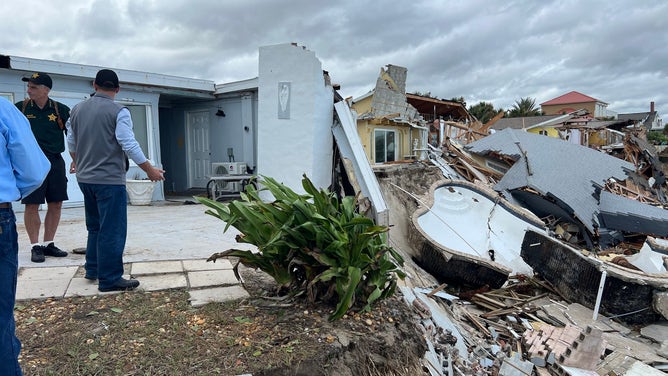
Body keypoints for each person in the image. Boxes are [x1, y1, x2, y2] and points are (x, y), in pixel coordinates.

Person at [66, 69, 165, 292]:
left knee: (95, 226)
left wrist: (78, 162)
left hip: (85, 179)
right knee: (112, 229)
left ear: (94, 85)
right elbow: (127, 143)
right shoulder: (119, 111)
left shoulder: (77, 109)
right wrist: (149, 170)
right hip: (109, 180)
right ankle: (110, 278)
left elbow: (71, 142)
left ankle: (93, 269)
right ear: (117, 89)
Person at [1, 96, 51, 375]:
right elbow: (33, 170)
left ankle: (47, 242)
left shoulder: (60, 110)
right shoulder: (5, 108)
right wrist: (8, 190)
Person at [15, 72, 71, 263]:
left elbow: (72, 137)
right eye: (28, 86)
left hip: (55, 161)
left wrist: (76, 160)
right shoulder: (20, 109)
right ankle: (34, 246)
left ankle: (49, 243)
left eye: (33, 87)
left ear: (46, 90)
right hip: (31, 162)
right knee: (32, 204)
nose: (29, 90)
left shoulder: (60, 110)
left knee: (56, 203)